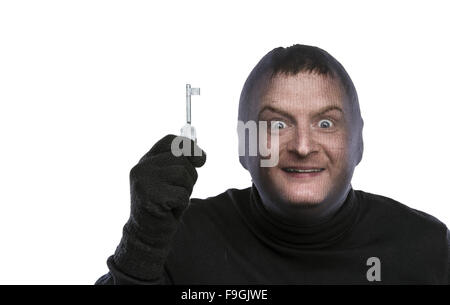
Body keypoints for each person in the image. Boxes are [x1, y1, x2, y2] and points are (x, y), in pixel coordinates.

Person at [96, 44, 450, 285]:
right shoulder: (179, 239)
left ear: (358, 142)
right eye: (277, 124)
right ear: (244, 144)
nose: (302, 145)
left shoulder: (426, 247)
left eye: (325, 123)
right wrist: (143, 243)